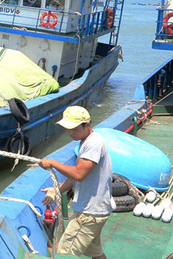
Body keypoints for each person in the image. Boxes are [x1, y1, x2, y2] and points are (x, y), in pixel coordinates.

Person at [38, 106, 112, 259]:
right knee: (96, 253)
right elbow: (75, 176)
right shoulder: (85, 141)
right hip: (94, 210)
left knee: (66, 253)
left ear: (87, 124)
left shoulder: (93, 144)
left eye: (74, 129)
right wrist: (56, 190)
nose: (71, 133)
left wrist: (52, 163)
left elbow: (78, 174)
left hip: (90, 213)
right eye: (68, 129)